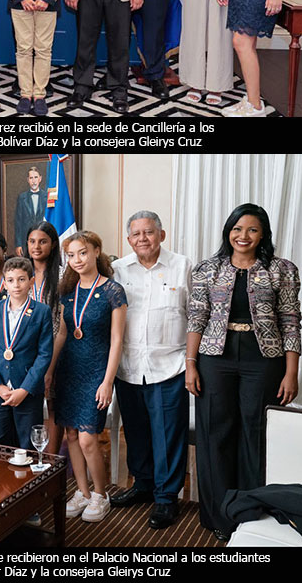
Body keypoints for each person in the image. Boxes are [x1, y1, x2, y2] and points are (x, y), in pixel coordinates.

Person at [186, 203, 301, 541]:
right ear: (228, 232)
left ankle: (252, 512)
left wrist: (291, 372)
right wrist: (190, 364)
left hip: (263, 359)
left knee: (256, 433)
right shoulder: (207, 269)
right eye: (237, 229)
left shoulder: (282, 270)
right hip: (214, 358)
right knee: (214, 433)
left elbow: (291, 322)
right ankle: (218, 515)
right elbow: (196, 318)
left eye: (251, 229)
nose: (243, 236)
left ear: (262, 233)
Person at [111, 211, 192, 529]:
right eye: (136, 234)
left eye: (149, 232)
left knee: (168, 436)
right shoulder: (118, 270)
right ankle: (143, 486)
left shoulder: (182, 266)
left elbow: (195, 317)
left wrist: (191, 363)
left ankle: (166, 498)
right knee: (136, 432)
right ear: (128, 239)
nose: (142, 239)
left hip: (169, 366)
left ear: (162, 234)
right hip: (129, 366)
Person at [48, 231, 126, 524]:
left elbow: (117, 340)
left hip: (96, 371)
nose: (77, 260)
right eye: (71, 255)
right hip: (68, 369)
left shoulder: (113, 291)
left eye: (82, 252)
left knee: (87, 438)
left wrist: (108, 381)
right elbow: (64, 333)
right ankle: (81, 492)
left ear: (96, 251)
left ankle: (100, 494)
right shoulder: (68, 291)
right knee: (70, 435)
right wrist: (50, 369)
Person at [0, 257, 54, 450]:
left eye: (21, 279)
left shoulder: (41, 311)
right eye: (10, 280)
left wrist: (25, 389)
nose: (16, 285)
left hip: (27, 390)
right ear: (4, 283)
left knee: (27, 445)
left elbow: (44, 354)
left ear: (31, 281)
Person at [24, 222, 63, 454]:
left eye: (42, 241)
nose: (36, 246)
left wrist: (50, 364)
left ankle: (51, 461)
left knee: (53, 408)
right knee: (28, 406)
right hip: (24, 351)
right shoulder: (21, 272)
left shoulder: (62, 275)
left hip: (54, 352)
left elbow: (61, 323)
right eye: (32, 241)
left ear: (53, 244)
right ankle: (29, 457)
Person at [14, 166, 46, 255]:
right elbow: (18, 223)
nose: (34, 180)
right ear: (28, 180)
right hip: (26, 239)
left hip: (43, 237)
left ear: (40, 178)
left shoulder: (47, 197)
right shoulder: (22, 198)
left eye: (36, 177)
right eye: (31, 178)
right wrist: (19, 244)